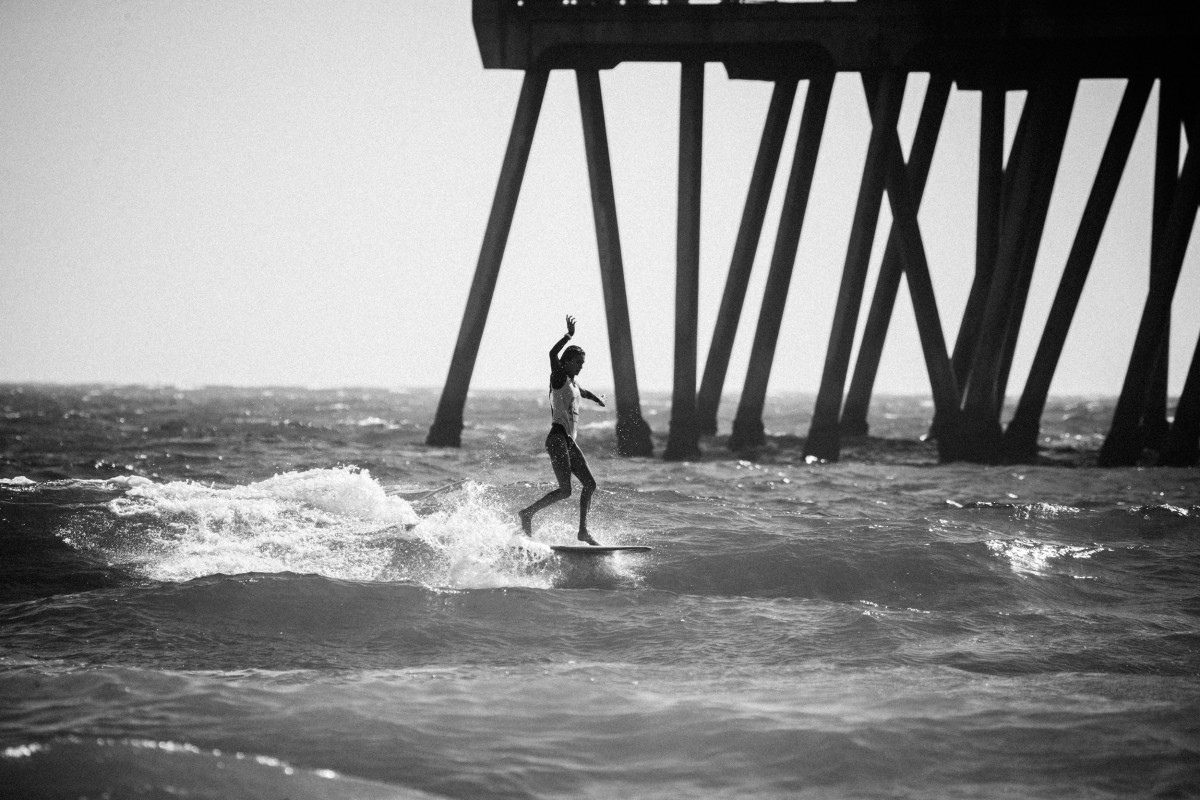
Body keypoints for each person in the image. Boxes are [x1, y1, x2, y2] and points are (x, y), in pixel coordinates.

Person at [519, 315, 606, 544]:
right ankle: (528, 513)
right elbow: (551, 354)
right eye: (578, 362)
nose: (581, 366)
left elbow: (581, 392)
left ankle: (583, 531)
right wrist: (568, 335)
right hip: (557, 438)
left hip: (568, 441)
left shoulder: (574, 384)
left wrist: (595, 398)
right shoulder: (559, 378)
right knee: (566, 489)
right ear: (567, 362)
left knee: (590, 484)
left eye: (582, 363)